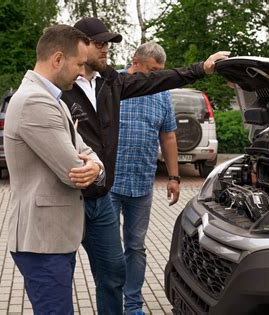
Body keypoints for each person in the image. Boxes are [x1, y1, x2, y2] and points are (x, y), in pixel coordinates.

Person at [60, 17, 229, 315]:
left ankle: (129, 305)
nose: (106, 50)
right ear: (79, 45)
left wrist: (201, 69)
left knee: (113, 272)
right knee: (61, 269)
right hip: (67, 197)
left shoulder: (110, 82)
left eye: (107, 45)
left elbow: (157, 82)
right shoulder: (59, 88)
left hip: (103, 194)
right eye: (99, 44)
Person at [4, 25, 104, 315]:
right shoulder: (35, 101)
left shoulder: (49, 96)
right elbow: (73, 169)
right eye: (80, 64)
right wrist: (92, 166)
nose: (83, 71)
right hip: (42, 241)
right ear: (58, 59)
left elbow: (86, 151)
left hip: (51, 238)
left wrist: (95, 165)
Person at [108, 42, 179, 315]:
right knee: (110, 249)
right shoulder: (112, 83)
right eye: (151, 70)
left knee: (135, 247)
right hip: (109, 184)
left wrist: (174, 176)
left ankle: (133, 305)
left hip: (142, 184)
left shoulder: (162, 93)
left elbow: (168, 136)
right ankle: (111, 301)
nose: (155, 77)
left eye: (159, 71)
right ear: (134, 61)